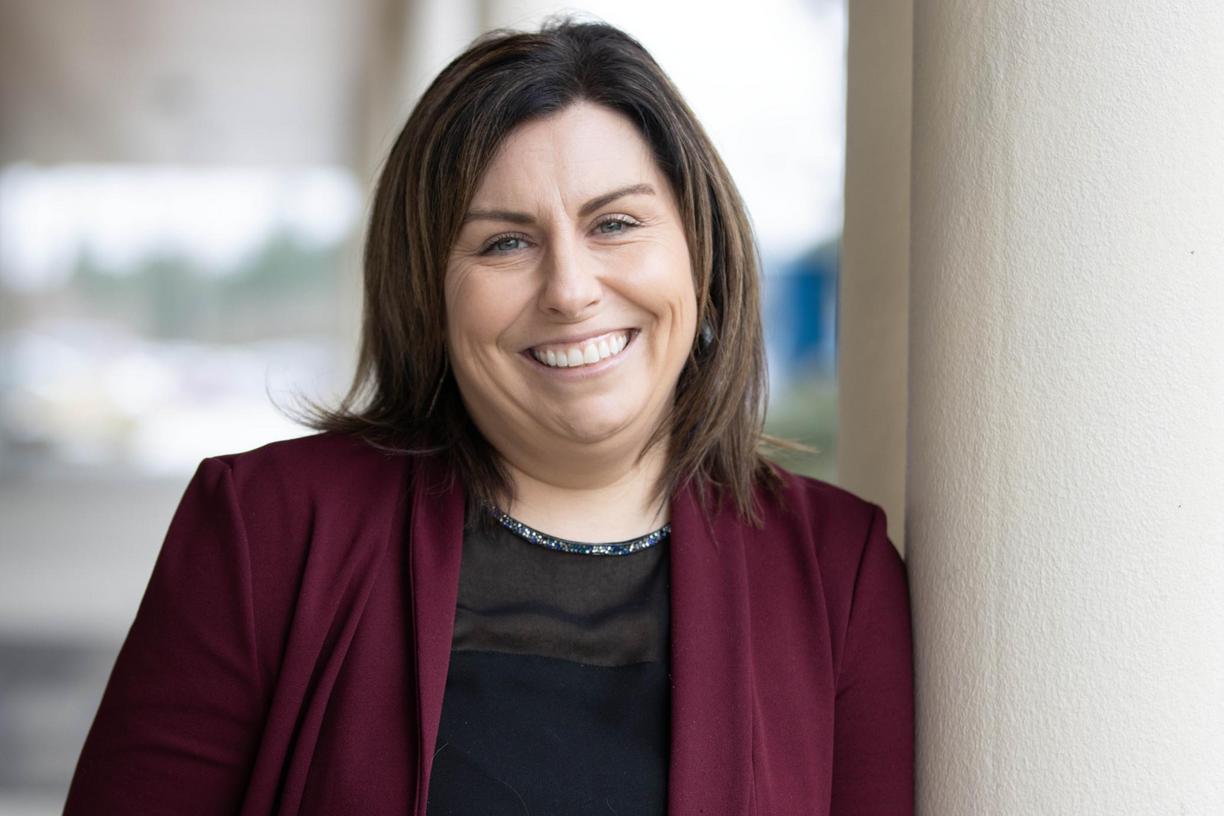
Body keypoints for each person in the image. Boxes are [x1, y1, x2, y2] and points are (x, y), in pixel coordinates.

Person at [65, 17, 913, 816]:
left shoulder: (838, 572)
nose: (571, 289)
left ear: (701, 252)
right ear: (428, 291)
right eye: (505, 242)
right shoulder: (266, 529)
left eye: (615, 223)